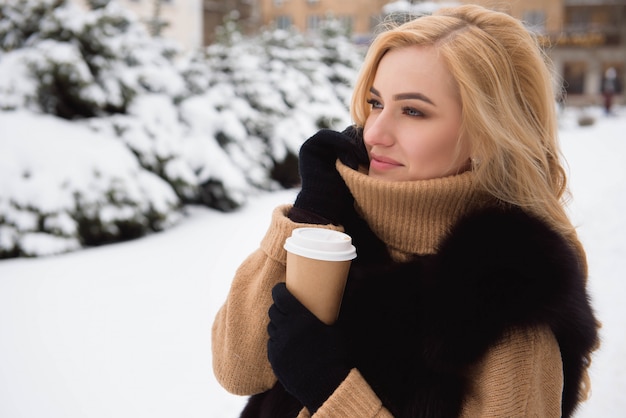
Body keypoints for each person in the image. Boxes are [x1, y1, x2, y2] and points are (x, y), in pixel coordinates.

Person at [212, 5, 599, 417]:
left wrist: (332, 393)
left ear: (489, 132)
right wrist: (309, 218)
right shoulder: (338, 229)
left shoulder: (510, 297)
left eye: (413, 111)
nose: (374, 132)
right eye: (376, 103)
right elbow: (237, 369)